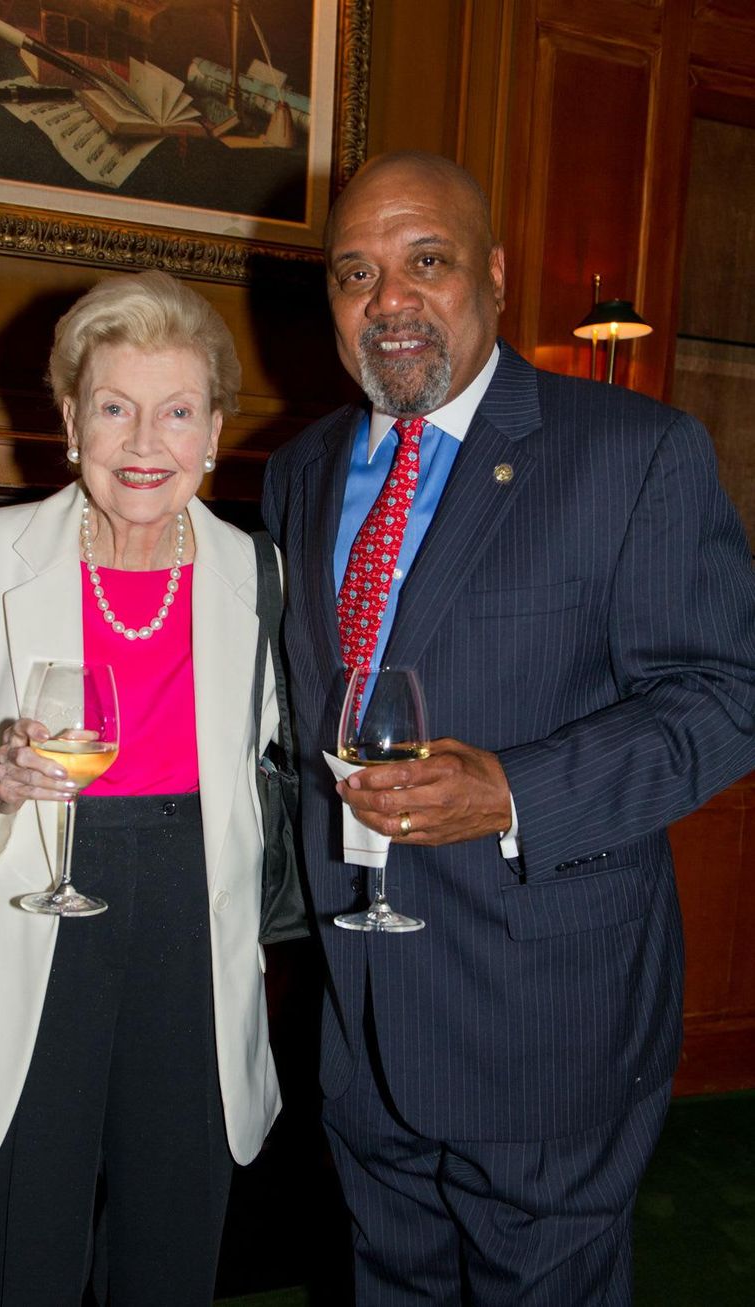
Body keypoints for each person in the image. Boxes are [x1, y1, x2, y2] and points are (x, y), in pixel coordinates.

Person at [261, 151, 755, 1304]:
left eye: (421, 260)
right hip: (361, 1008)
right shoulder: (295, 471)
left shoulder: (633, 454)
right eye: (353, 273)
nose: (387, 299)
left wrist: (516, 789)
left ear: (489, 274)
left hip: (547, 1019)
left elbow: (727, 691)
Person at [0, 270, 282, 1306]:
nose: (146, 441)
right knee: (19, 1248)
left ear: (214, 427)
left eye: (176, 410)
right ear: (68, 418)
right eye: (114, 406)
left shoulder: (257, 575)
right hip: (25, 917)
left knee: (171, 1248)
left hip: (194, 939)